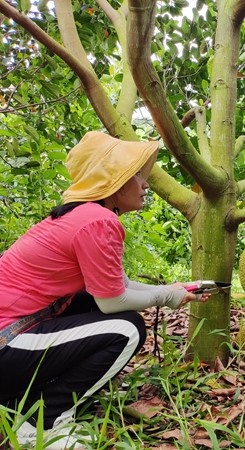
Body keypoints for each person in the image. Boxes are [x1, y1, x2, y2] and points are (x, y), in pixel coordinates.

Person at [0, 131, 209, 449]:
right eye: (137, 176)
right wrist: (166, 296)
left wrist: (171, 290)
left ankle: (23, 398)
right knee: (127, 328)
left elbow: (117, 284)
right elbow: (113, 301)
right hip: (8, 344)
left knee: (90, 302)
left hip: (15, 339)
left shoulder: (78, 216)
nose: (146, 184)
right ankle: (38, 423)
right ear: (114, 180)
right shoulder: (97, 220)